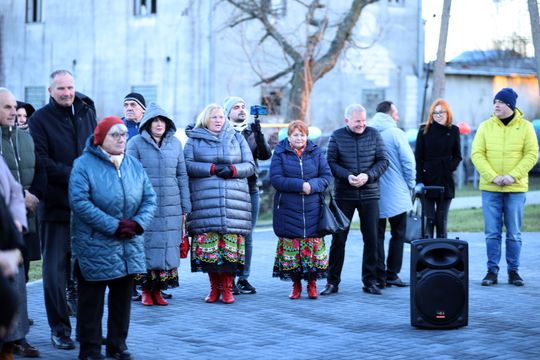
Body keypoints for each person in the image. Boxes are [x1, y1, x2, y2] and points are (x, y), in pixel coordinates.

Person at [69, 116, 156, 360]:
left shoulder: (133, 165)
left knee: (122, 300)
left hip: (128, 244)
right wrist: (115, 226)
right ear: (100, 139)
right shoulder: (83, 165)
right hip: (95, 244)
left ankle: (117, 345)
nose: (120, 139)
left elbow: (150, 197)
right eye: (114, 135)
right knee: (91, 302)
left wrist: (137, 223)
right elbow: (79, 203)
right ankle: (90, 349)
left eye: (123, 135)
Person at [28, 69, 97, 350]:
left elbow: (96, 148)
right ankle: (60, 329)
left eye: (70, 87)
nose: (67, 93)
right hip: (55, 207)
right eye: (61, 89)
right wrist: (78, 175)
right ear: (50, 91)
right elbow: (41, 160)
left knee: (89, 271)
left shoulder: (86, 109)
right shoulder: (39, 119)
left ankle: (88, 330)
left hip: (86, 208)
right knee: (55, 275)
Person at [184, 103, 255, 304]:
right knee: (211, 252)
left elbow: (249, 166)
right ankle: (214, 288)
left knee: (229, 251)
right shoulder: (193, 140)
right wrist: (212, 168)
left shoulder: (237, 138)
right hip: (205, 202)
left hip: (234, 201)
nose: (218, 120)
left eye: (221, 117)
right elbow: (187, 165)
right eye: (214, 117)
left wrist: (233, 170)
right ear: (206, 119)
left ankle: (228, 289)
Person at [471, 88, 538, 287]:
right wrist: (493, 177)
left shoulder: (526, 127)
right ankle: (491, 272)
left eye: (500, 102)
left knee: (514, 233)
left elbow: (532, 154)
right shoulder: (485, 127)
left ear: (510, 105)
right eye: (495, 101)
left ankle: (513, 271)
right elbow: (477, 154)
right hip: (491, 188)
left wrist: (512, 176)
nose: (496, 105)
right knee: (492, 232)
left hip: (515, 189)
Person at [126, 103, 191, 306]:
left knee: (166, 247)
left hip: (171, 204)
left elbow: (182, 175)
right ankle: (146, 290)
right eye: (155, 120)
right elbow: (130, 175)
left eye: (162, 120)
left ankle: (159, 291)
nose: (159, 124)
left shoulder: (176, 144)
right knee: (146, 246)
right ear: (147, 123)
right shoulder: (135, 143)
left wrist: (185, 204)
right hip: (145, 205)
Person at [321, 104, 388, 296]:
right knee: (339, 239)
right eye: (358, 121)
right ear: (347, 120)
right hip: (344, 195)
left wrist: (368, 176)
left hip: (370, 194)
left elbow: (383, 161)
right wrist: (347, 176)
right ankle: (332, 282)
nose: (362, 124)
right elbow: (330, 162)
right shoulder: (337, 136)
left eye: (364, 120)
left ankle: (370, 281)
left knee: (372, 239)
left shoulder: (374, 134)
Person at [0, 88, 45, 358]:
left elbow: (38, 169)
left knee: (22, 279)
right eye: (7, 107)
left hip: (21, 224)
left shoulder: (26, 139)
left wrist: (31, 200)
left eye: (14, 107)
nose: (14, 113)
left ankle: (18, 337)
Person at [270, 120, 332, 299]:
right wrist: (300, 185)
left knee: (312, 249)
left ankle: (312, 285)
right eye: (295, 134)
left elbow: (326, 176)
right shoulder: (280, 153)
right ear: (289, 137)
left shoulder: (316, 151)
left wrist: (311, 186)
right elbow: (276, 178)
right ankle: (295, 285)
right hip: (289, 209)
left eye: (302, 134)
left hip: (313, 209)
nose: (299, 138)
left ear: (307, 136)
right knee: (293, 251)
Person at [223, 96, 272, 295]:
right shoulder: (222, 132)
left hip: (251, 188)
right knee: (231, 235)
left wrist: (259, 135)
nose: (242, 110)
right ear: (227, 113)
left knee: (248, 235)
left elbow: (265, 155)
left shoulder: (251, 132)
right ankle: (229, 278)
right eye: (236, 107)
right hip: (231, 188)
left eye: (243, 107)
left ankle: (244, 277)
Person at [370, 101, 416, 289]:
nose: (397, 117)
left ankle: (379, 274)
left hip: (373, 191)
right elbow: (408, 162)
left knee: (377, 234)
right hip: (397, 191)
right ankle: (392, 274)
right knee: (398, 233)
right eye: (396, 113)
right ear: (390, 114)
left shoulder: (368, 132)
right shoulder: (396, 133)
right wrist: (411, 184)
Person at [414, 99, 462, 239]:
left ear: (448, 113)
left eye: (441, 112)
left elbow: (457, 156)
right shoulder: (424, 130)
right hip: (427, 179)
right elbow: (418, 158)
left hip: (446, 180)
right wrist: (419, 181)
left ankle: (442, 252)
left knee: (442, 220)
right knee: (428, 219)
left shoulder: (453, 130)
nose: (438, 115)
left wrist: (448, 168)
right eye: (435, 112)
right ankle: (427, 252)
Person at [0, 156, 29, 359]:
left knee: (10, 298)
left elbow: (14, 191)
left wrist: (17, 222)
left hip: (7, 243)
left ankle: (9, 345)